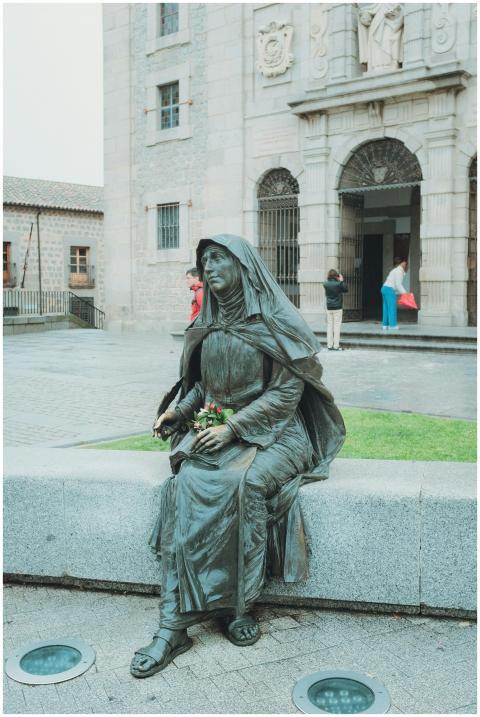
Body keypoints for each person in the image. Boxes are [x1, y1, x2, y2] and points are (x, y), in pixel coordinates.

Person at [130, 234, 345, 678]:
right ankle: (173, 625)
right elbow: (201, 390)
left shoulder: (276, 323)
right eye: (204, 260)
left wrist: (233, 427)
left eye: (218, 258)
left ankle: (238, 607)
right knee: (184, 485)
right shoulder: (206, 328)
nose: (209, 267)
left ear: (243, 266)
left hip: (280, 435)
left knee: (243, 485)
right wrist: (176, 413)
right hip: (220, 433)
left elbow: (288, 394)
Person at [323, 269, 348, 351]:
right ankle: (336, 346)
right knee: (337, 327)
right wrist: (341, 280)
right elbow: (345, 289)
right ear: (336, 276)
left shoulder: (325, 284)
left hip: (329, 307)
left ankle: (329, 345)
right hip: (337, 307)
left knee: (329, 326)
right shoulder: (339, 284)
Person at [381, 257, 408, 330]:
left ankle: (385, 325)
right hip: (390, 289)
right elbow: (398, 285)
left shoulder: (394, 270)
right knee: (391, 307)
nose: (405, 264)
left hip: (384, 288)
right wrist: (405, 294)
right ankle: (392, 325)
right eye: (405, 263)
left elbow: (396, 285)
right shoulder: (399, 271)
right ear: (402, 263)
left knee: (386, 307)